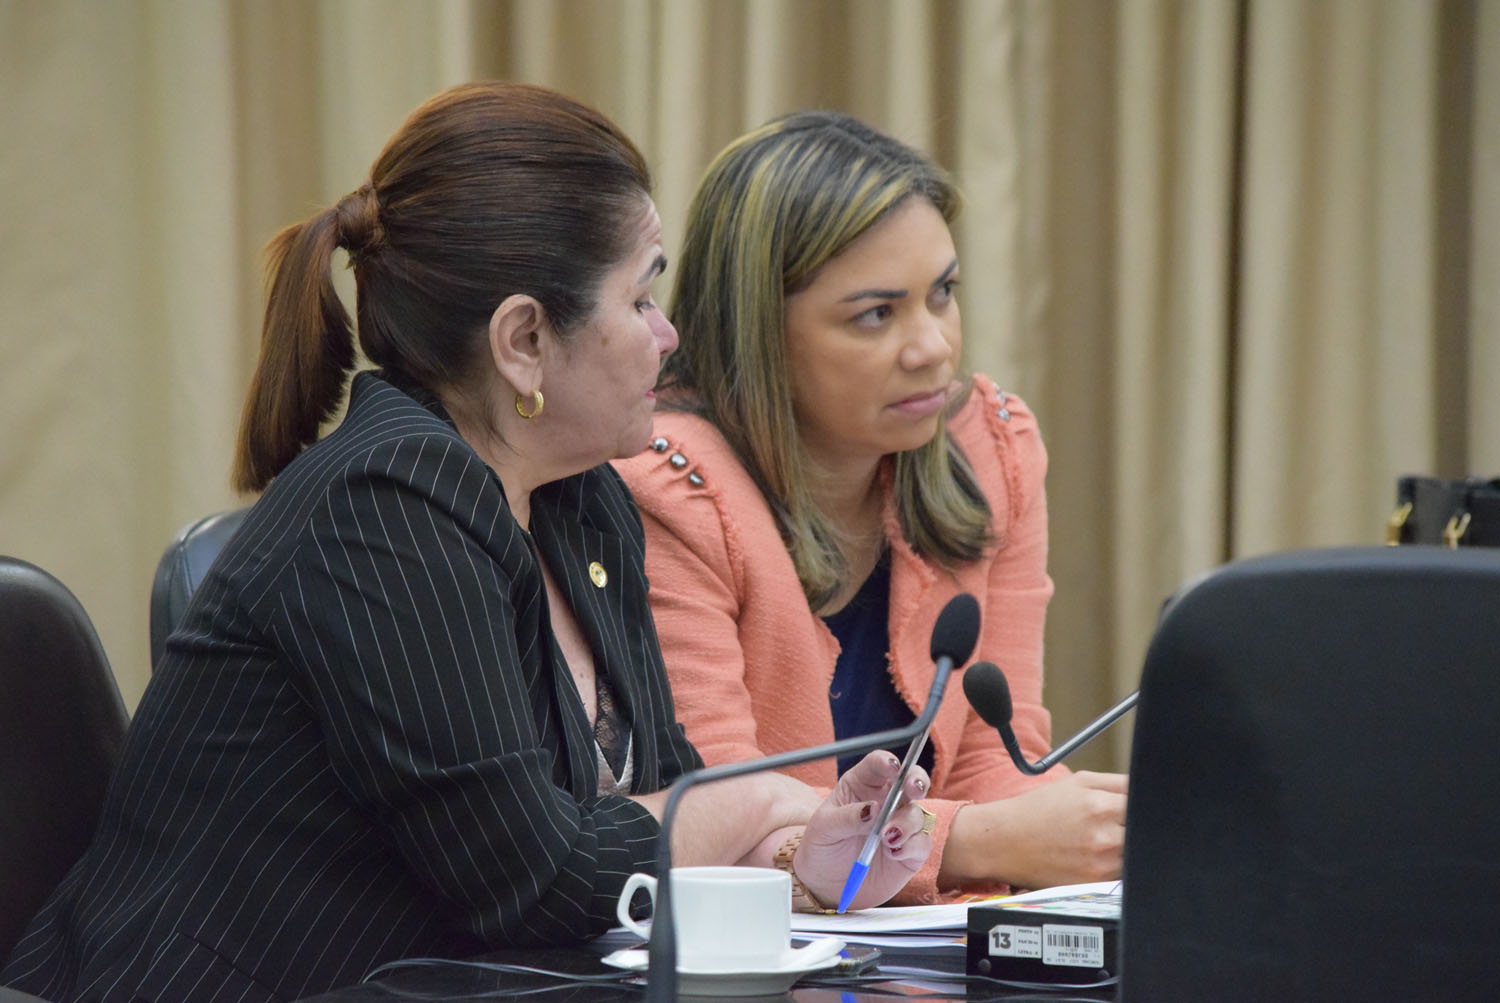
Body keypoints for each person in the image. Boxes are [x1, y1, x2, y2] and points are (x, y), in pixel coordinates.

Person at [0, 85, 934, 1003]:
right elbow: (531, 878)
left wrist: (799, 859)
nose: (669, 333)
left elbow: (659, 793)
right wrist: (764, 802)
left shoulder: (584, 498)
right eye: (642, 297)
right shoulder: (384, 506)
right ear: (524, 339)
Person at [613, 111, 1127, 906]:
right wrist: (987, 840)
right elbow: (727, 819)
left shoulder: (988, 454)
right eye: (877, 314)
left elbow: (1000, 759)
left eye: (943, 293)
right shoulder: (669, 487)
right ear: (763, 331)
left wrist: (1085, 835)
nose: (933, 347)